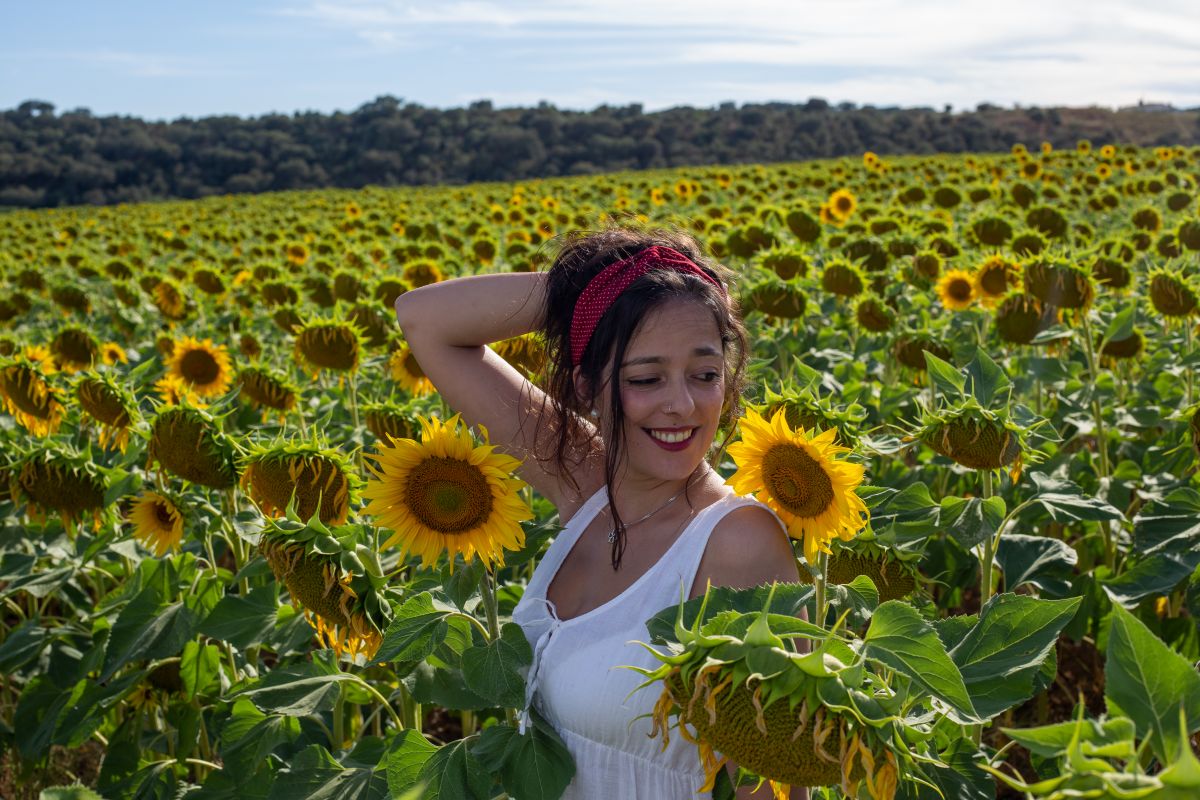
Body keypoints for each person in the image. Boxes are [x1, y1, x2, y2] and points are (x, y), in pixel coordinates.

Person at [394, 226, 805, 799]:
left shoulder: (736, 545)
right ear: (586, 385)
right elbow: (423, 319)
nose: (682, 405)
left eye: (705, 375)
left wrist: (641, 291)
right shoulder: (589, 484)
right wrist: (602, 286)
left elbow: (770, 784)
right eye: (645, 378)